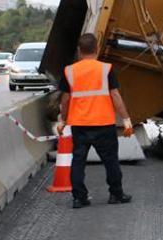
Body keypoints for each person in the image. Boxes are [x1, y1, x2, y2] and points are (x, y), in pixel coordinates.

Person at [56, 33, 133, 209]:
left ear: (79, 51)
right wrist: (126, 120)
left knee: (78, 161)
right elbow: (115, 95)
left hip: (80, 126)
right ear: (97, 49)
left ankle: (79, 198)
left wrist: (63, 121)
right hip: (103, 124)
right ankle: (116, 194)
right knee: (111, 161)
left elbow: (65, 100)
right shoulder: (106, 69)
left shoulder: (69, 71)